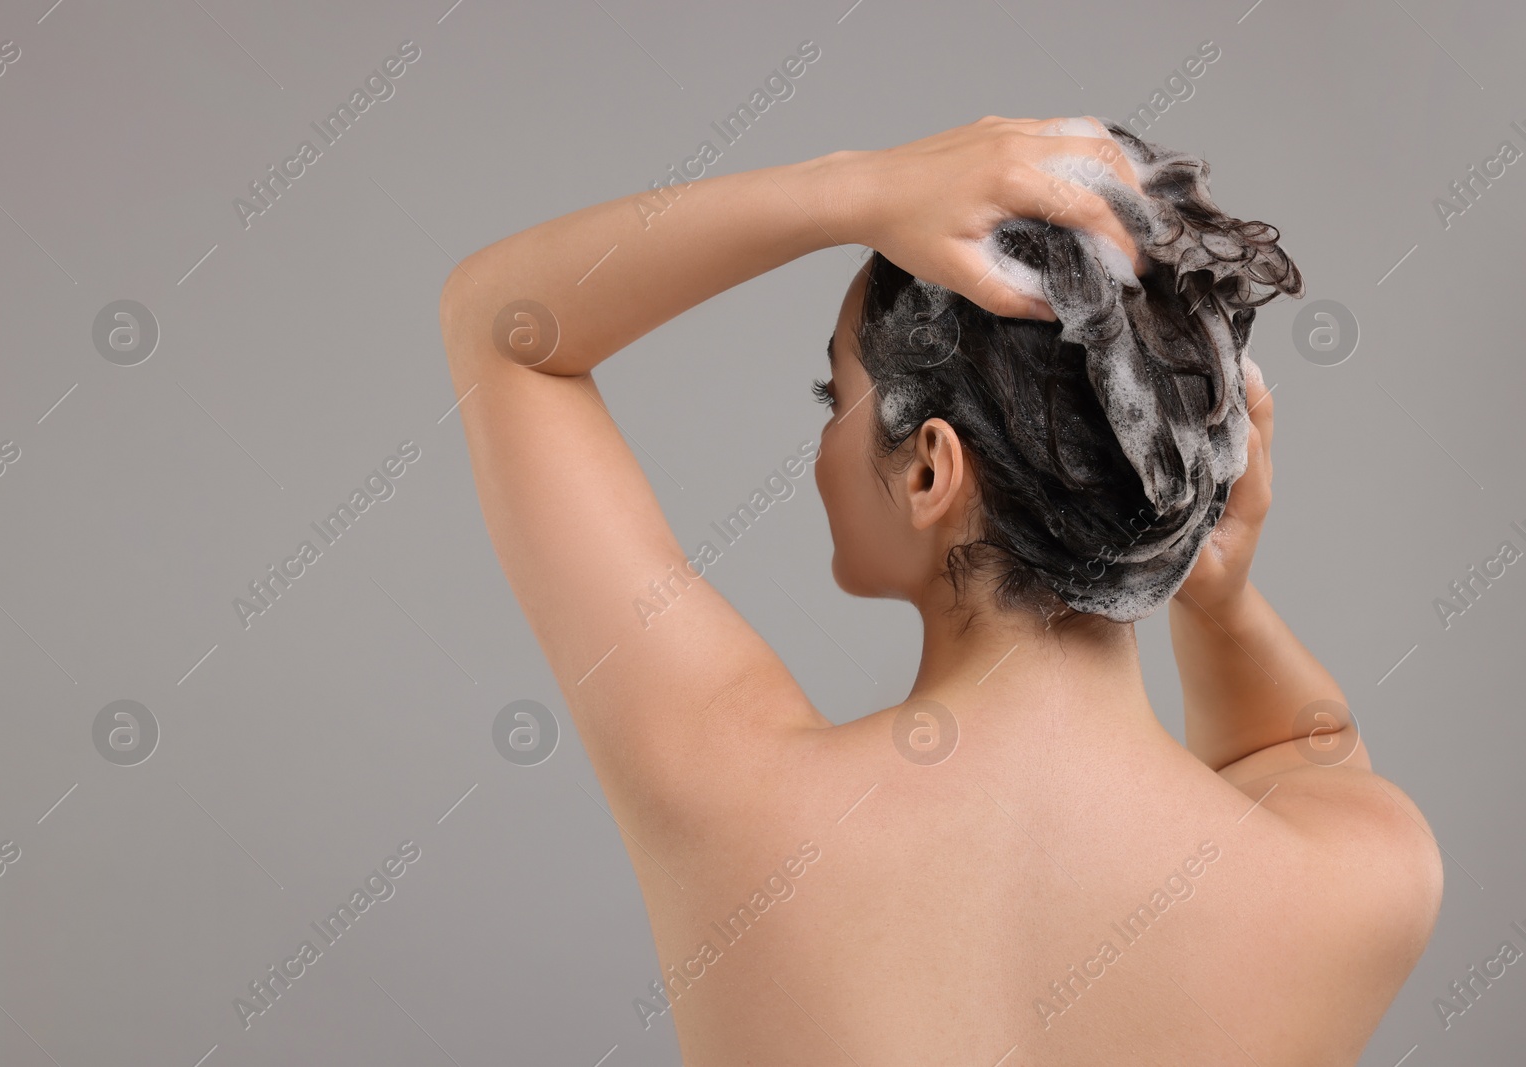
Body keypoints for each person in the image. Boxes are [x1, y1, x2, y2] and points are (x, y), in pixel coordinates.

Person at [437, 115, 1442, 1065]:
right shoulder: (1356, 884)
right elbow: (1297, 750)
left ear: (929, 470)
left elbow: (501, 329)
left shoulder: (733, 795)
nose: (825, 446)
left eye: (836, 399)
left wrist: (850, 188)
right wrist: (1220, 602)